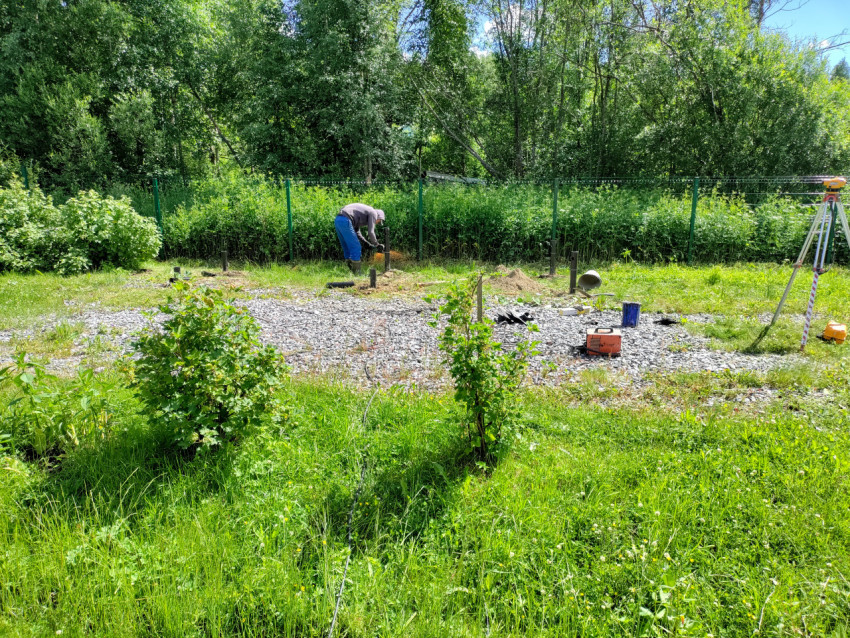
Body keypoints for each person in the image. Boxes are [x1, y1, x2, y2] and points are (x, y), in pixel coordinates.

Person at [335, 203, 385, 274]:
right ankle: (357, 273)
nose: (377, 223)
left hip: (338, 220)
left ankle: (351, 271)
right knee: (356, 247)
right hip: (346, 220)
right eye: (379, 221)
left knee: (347, 246)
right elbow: (371, 232)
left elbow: (358, 233)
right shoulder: (373, 213)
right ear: (378, 216)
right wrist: (377, 244)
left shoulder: (360, 216)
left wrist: (367, 244)